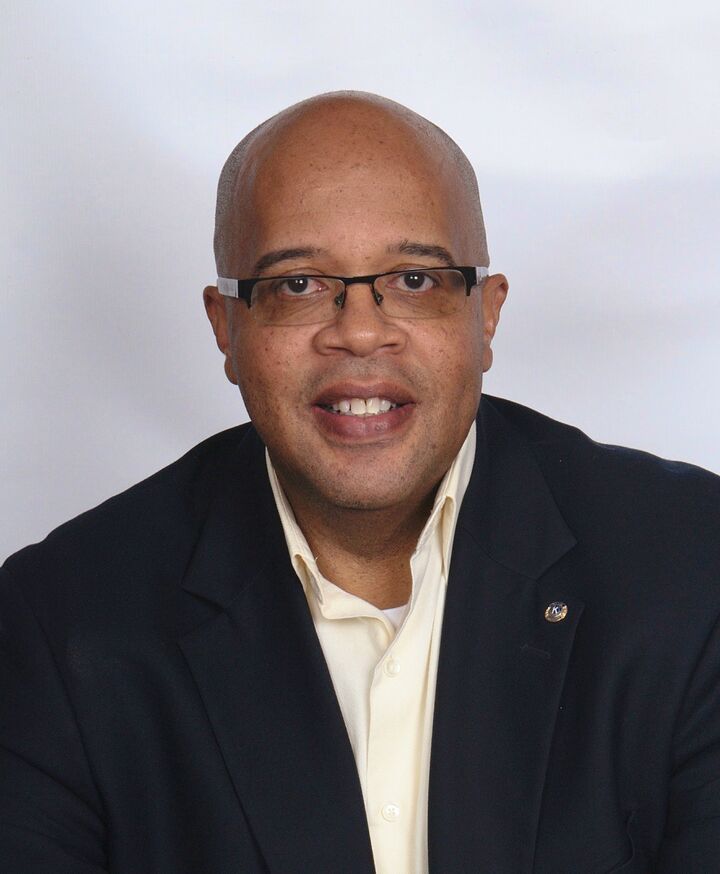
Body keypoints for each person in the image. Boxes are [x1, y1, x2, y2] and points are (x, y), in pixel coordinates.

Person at [1, 91, 718, 874]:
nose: (361, 331)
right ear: (226, 328)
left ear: (485, 316)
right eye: (297, 285)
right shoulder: (59, 624)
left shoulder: (691, 570)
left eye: (415, 279)